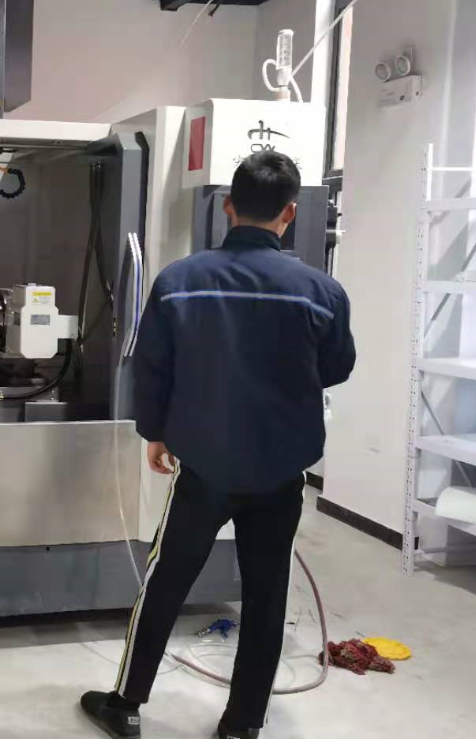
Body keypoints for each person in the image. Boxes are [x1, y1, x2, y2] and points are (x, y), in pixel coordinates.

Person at [80, 150, 356, 739]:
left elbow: (152, 366)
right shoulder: (322, 291)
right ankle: (242, 725)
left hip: (204, 466)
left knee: (167, 580)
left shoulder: (180, 281)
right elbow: (335, 368)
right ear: (289, 212)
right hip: (281, 470)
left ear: (227, 206)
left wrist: (155, 432)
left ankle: (126, 703)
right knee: (266, 594)